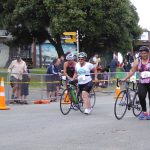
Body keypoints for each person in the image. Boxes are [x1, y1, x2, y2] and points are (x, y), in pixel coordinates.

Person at [122, 46, 150, 120]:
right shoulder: (138, 61)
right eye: (142, 53)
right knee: (141, 96)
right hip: (142, 82)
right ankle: (144, 112)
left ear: (148, 53)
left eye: (145, 53)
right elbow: (132, 71)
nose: (143, 55)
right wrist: (125, 78)